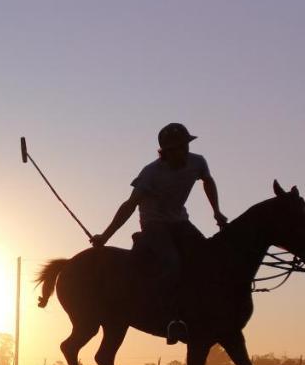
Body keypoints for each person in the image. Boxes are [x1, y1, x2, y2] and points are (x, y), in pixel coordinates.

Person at [90, 123, 228, 344]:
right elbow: (129, 205)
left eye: (185, 146)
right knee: (172, 262)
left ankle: (208, 308)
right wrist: (105, 236)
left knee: (208, 256)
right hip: (154, 225)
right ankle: (171, 319)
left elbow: (207, 181)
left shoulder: (197, 162)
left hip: (180, 222)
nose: (183, 152)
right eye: (178, 149)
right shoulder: (151, 173)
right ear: (166, 151)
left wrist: (217, 212)